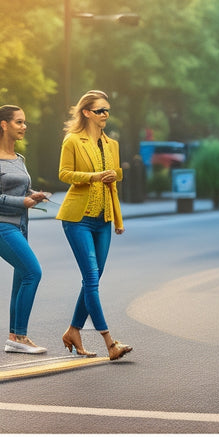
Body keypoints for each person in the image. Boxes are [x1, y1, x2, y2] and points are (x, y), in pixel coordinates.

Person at [57, 90, 132, 360]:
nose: (105, 115)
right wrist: (95, 176)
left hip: (104, 219)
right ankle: (110, 343)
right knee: (91, 278)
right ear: (86, 112)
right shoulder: (72, 141)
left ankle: (73, 330)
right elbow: (64, 174)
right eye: (100, 110)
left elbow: (115, 176)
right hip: (77, 218)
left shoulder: (112, 144)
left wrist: (115, 174)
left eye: (107, 110)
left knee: (94, 278)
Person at [0, 105, 49, 354]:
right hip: (2, 226)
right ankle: (19, 337)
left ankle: (14, 336)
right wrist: (22, 202)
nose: (24, 126)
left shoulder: (19, 160)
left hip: (19, 225)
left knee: (21, 279)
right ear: (4, 124)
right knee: (33, 272)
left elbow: (17, 190)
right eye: (19, 122)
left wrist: (33, 195)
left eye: (25, 122)